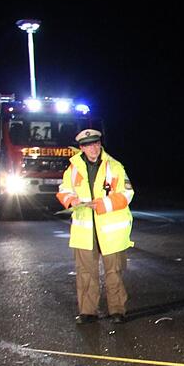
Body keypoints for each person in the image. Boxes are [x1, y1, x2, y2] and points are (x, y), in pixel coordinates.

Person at [56, 129, 135, 324]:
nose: (94, 148)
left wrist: (101, 204)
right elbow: (63, 190)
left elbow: (127, 194)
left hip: (110, 229)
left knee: (113, 271)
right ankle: (87, 312)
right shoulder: (72, 168)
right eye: (90, 145)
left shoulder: (115, 167)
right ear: (82, 148)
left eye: (97, 143)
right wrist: (71, 200)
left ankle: (117, 310)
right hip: (85, 230)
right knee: (85, 272)